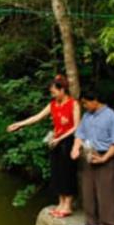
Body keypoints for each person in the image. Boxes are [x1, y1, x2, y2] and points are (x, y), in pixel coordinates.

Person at [7, 75, 80, 217]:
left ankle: (68, 205)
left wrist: (61, 138)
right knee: (56, 171)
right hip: (55, 141)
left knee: (67, 172)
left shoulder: (73, 104)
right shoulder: (53, 104)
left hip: (68, 141)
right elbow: (37, 117)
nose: (52, 94)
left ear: (62, 90)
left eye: (54, 91)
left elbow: (77, 127)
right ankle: (60, 203)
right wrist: (19, 124)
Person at [70, 88, 114, 225]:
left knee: (106, 193)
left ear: (95, 100)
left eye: (86, 103)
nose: (85, 106)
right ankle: (92, 223)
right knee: (88, 190)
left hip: (105, 156)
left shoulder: (113, 118)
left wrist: (104, 158)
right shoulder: (87, 116)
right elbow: (80, 134)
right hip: (88, 154)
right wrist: (75, 148)